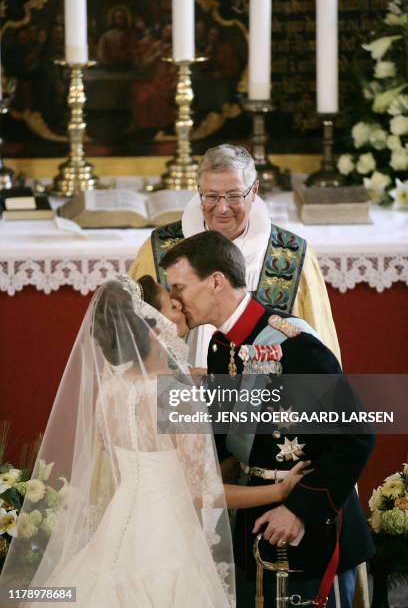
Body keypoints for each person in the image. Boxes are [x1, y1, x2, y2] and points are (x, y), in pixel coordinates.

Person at [0, 275, 308, 608]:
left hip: (118, 527)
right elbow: (203, 493)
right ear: (153, 329)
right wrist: (279, 491)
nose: (182, 312)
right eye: (173, 308)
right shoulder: (177, 397)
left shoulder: (110, 392)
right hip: (166, 539)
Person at [160, 231, 376, 608]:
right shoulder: (221, 346)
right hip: (253, 520)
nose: (174, 299)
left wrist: (298, 510)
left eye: (180, 286)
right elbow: (227, 438)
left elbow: (356, 436)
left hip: (305, 527)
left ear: (215, 281)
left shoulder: (295, 347)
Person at [128, 144, 340, 368]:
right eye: (211, 196)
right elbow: (130, 342)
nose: (222, 208)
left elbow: (319, 361)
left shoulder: (293, 256)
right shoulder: (158, 250)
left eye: (233, 196)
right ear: (199, 190)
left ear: (254, 191)